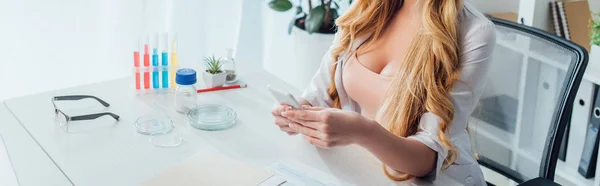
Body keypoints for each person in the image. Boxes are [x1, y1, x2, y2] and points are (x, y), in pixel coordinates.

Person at [271, 0, 496, 185]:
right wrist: (297, 113)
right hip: (361, 170)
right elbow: (320, 94)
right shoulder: (366, 7)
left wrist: (361, 130)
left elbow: (428, 159)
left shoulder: (474, 32)